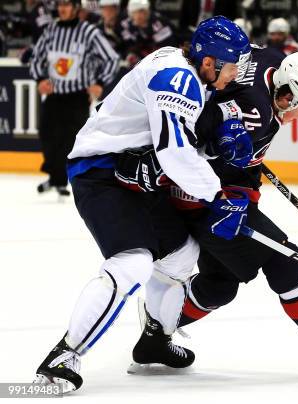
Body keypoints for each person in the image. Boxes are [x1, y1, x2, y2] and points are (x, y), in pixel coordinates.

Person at [122, 49, 298, 379]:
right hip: (203, 201)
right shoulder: (256, 114)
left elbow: (219, 91)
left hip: (209, 192)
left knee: (219, 285)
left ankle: (156, 332)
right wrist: (230, 168)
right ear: (287, 96)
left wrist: (243, 164)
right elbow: (190, 148)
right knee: (287, 261)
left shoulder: (270, 61)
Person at [32, 16, 252, 394]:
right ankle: (61, 359)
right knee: (133, 262)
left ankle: (154, 341)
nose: (235, 74)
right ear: (209, 62)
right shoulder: (177, 78)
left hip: (131, 170)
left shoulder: (188, 72)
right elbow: (175, 153)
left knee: (182, 256)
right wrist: (217, 196)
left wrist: (214, 143)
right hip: (99, 170)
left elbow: (174, 139)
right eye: (231, 66)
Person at [30, 0, 120, 197]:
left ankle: (62, 180)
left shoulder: (88, 32)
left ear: (76, 7)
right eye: (60, 4)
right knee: (47, 134)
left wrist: (99, 83)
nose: (62, 8)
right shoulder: (51, 29)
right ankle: (56, 178)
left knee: (69, 139)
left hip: (77, 96)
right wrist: (40, 79)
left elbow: (111, 58)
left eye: (67, 4)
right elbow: (36, 57)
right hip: (55, 94)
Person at [120, 0, 176, 67]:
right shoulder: (129, 24)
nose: (139, 15)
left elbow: (168, 49)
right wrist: (131, 54)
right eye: (135, 12)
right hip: (146, 60)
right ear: (131, 14)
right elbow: (129, 45)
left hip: (166, 59)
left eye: (142, 11)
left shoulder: (159, 24)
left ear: (147, 11)